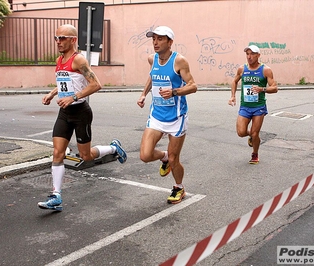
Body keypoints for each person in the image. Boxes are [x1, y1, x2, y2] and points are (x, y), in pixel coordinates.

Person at [37, 24, 127, 211]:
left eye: (62, 38)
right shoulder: (59, 60)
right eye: (56, 38)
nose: (58, 42)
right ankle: (56, 196)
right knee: (57, 153)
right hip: (64, 112)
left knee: (85, 156)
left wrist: (74, 98)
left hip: (80, 113)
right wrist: (52, 94)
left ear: (73, 40)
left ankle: (113, 148)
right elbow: (65, 83)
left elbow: (96, 85)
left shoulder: (79, 61)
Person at [137, 26, 197, 204]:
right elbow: (152, 76)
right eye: (153, 38)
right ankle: (162, 156)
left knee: (174, 159)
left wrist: (174, 92)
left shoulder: (179, 61)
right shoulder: (152, 59)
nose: (155, 42)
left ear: (170, 42)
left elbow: (193, 86)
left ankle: (179, 187)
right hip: (156, 115)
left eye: (160, 39)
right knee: (145, 155)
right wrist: (143, 94)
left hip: (176, 117)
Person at [228, 44, 278, 164]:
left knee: (255, 132)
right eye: (247, 54)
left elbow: (275, 88)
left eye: (252, 54)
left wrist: (262, 89)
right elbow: (234, 81)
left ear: (258, 55)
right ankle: (253, 136)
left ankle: (255, 154)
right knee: (241, 132)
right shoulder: (242, 69)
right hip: (245, 106)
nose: (249, 57)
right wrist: (233, 96)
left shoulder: (265, 70)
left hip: (258, 107)